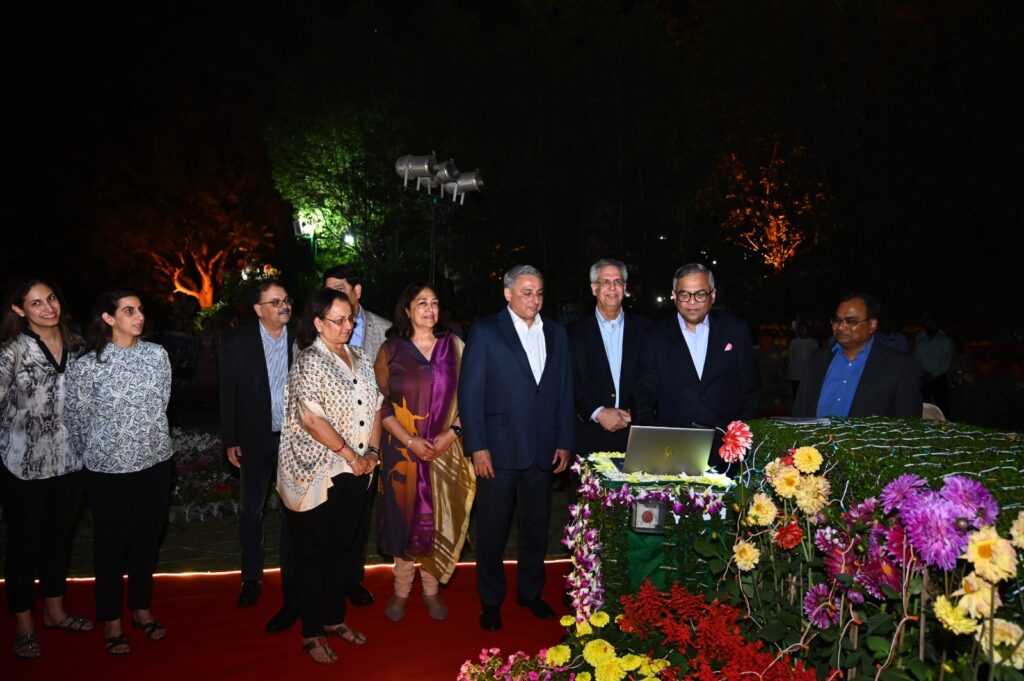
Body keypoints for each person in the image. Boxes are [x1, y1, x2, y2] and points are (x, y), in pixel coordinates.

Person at [458, 265, 573, 631]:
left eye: (539, 293)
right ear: (508, 293)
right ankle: (491, 601)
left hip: (542, 450)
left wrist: (564, 440)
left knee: (537, 528)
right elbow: (470, 394)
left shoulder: (556, 333)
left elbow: (564, 390)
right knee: (492, 531)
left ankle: (530, 592)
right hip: (498, 452)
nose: (534, 300)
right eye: (526, 292)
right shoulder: (486, 331)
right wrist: (478, 447)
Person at [276, 288, 382, 665]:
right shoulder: (309, 361)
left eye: (350, 318)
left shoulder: (361, 357)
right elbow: (310, 417)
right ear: (318, 323)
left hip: (356, 470)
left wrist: (372, 452)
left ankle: (334, 619)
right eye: (337, 320)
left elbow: (376, 407)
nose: (347, 326)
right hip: (315, 475)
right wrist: (351, 456)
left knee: (341, 550)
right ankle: (311, 633)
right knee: (312, 555)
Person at [65, 290, 173, 655]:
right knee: (110, 546)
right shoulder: (87, 366)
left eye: (140, 309)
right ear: (109, 318)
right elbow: (77, 420)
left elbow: (162, 404)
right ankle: (111, 619)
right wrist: (101, 452)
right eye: (129, 311)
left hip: (155, 463)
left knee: (146, 540)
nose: (139, 316)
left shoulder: (157, 355)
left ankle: (141, 608)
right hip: (107, 470)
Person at [1, 277, 93, 660]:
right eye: (36, 303)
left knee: (59, 540)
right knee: (24, 545)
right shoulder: (11, 352)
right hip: (21, 464)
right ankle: (24, 627)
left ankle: (55, 613)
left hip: (70, 462)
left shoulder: (79, 345)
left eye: (51, 298)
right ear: (19, 310)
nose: (48, 307)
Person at [374, 283, 475, 622]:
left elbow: (473, 395)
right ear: (407, 310)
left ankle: (431, 590)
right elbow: (380, 405)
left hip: (446, 451)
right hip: (402, 454)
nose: (430, 309)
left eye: (434, 303)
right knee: (403, 519)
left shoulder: (455, 347)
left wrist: (452, 434)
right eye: (421, 303)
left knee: (437, 518)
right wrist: (410, 441)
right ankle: (401, 589)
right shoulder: (390, 350)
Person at [218, 280, 298, 632]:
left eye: (286, 300)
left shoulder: (301, 338)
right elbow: (228, 392)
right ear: (258, 309)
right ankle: (251, 578)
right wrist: (231, 438)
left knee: (295, 511)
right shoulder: (238, 342)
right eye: (275, 301)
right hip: (254, 439)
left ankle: (295, 574)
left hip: (296, 439)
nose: (284, 306)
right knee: (252, 511)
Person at [634, 263, 760, 471]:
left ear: (713, 295)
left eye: (700, 294)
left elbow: (750, 389)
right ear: (674, 295)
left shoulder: (735, 330)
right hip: (672, 450)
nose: (692, 302)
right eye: (684, 294)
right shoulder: (654, 337)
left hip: (727, 450)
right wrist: (651, 438)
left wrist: (743, 435)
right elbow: (644, 394)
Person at [321, 264, 391, 606]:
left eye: (339, 289)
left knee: (360, 514)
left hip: (371, 441)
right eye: (328, 290)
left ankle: (352, 578)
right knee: (327, 517)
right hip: (328, 441)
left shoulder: (386, 330)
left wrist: (375, 448)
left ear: (357, 291)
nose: (332, 296)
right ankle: (325, 582)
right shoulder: (313, 330)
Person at [568, 258, 652, 456]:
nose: (612, 288)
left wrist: (637, 412)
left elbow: (651, 377)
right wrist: (597, 412)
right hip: (589, 437)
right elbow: (570, 381)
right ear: (594, 288)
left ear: (625, 287)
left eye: (618, 282)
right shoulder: (571, 333)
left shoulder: (647, 329)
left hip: (636, 436)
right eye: (606, 282)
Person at [792, 293, 921, 418]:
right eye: (837, 320)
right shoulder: (816, 359)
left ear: (872, 325)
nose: (840, 327)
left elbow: (908, 423)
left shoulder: (900, 366)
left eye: (850, 321)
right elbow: (800, 411)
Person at [913, 314, 954, 413]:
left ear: (938, 325)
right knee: (924, 406)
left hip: (939, 378)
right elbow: (915, 359)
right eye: (928, 324)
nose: (930, 326)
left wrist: (932, 375)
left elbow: (946, 364)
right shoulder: (921, 341)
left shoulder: (946, 341)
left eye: (932, 324)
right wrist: (921, 374)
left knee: (942, 406)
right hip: (923, 378)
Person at [786, 323, 819, 398]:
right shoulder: (793, 342)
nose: (802, 331)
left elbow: (816, 357)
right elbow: (791, 357)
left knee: (807, 393)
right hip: (795, 373)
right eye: (801, 329)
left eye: (804, 329)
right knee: (796, 393)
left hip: (808, 373)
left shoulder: (813, 342)